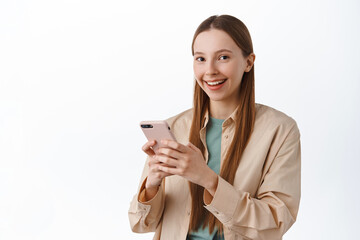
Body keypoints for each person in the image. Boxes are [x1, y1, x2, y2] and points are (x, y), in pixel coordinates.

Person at [128, 14, 301, 240]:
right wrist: (152, 184)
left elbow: (275, 222)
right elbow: (141, 224)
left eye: (223, 57)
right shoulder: (175, 127)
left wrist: (208, 179)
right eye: (200, 59)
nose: (209, 70)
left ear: (249, 62)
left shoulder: (280, 130)